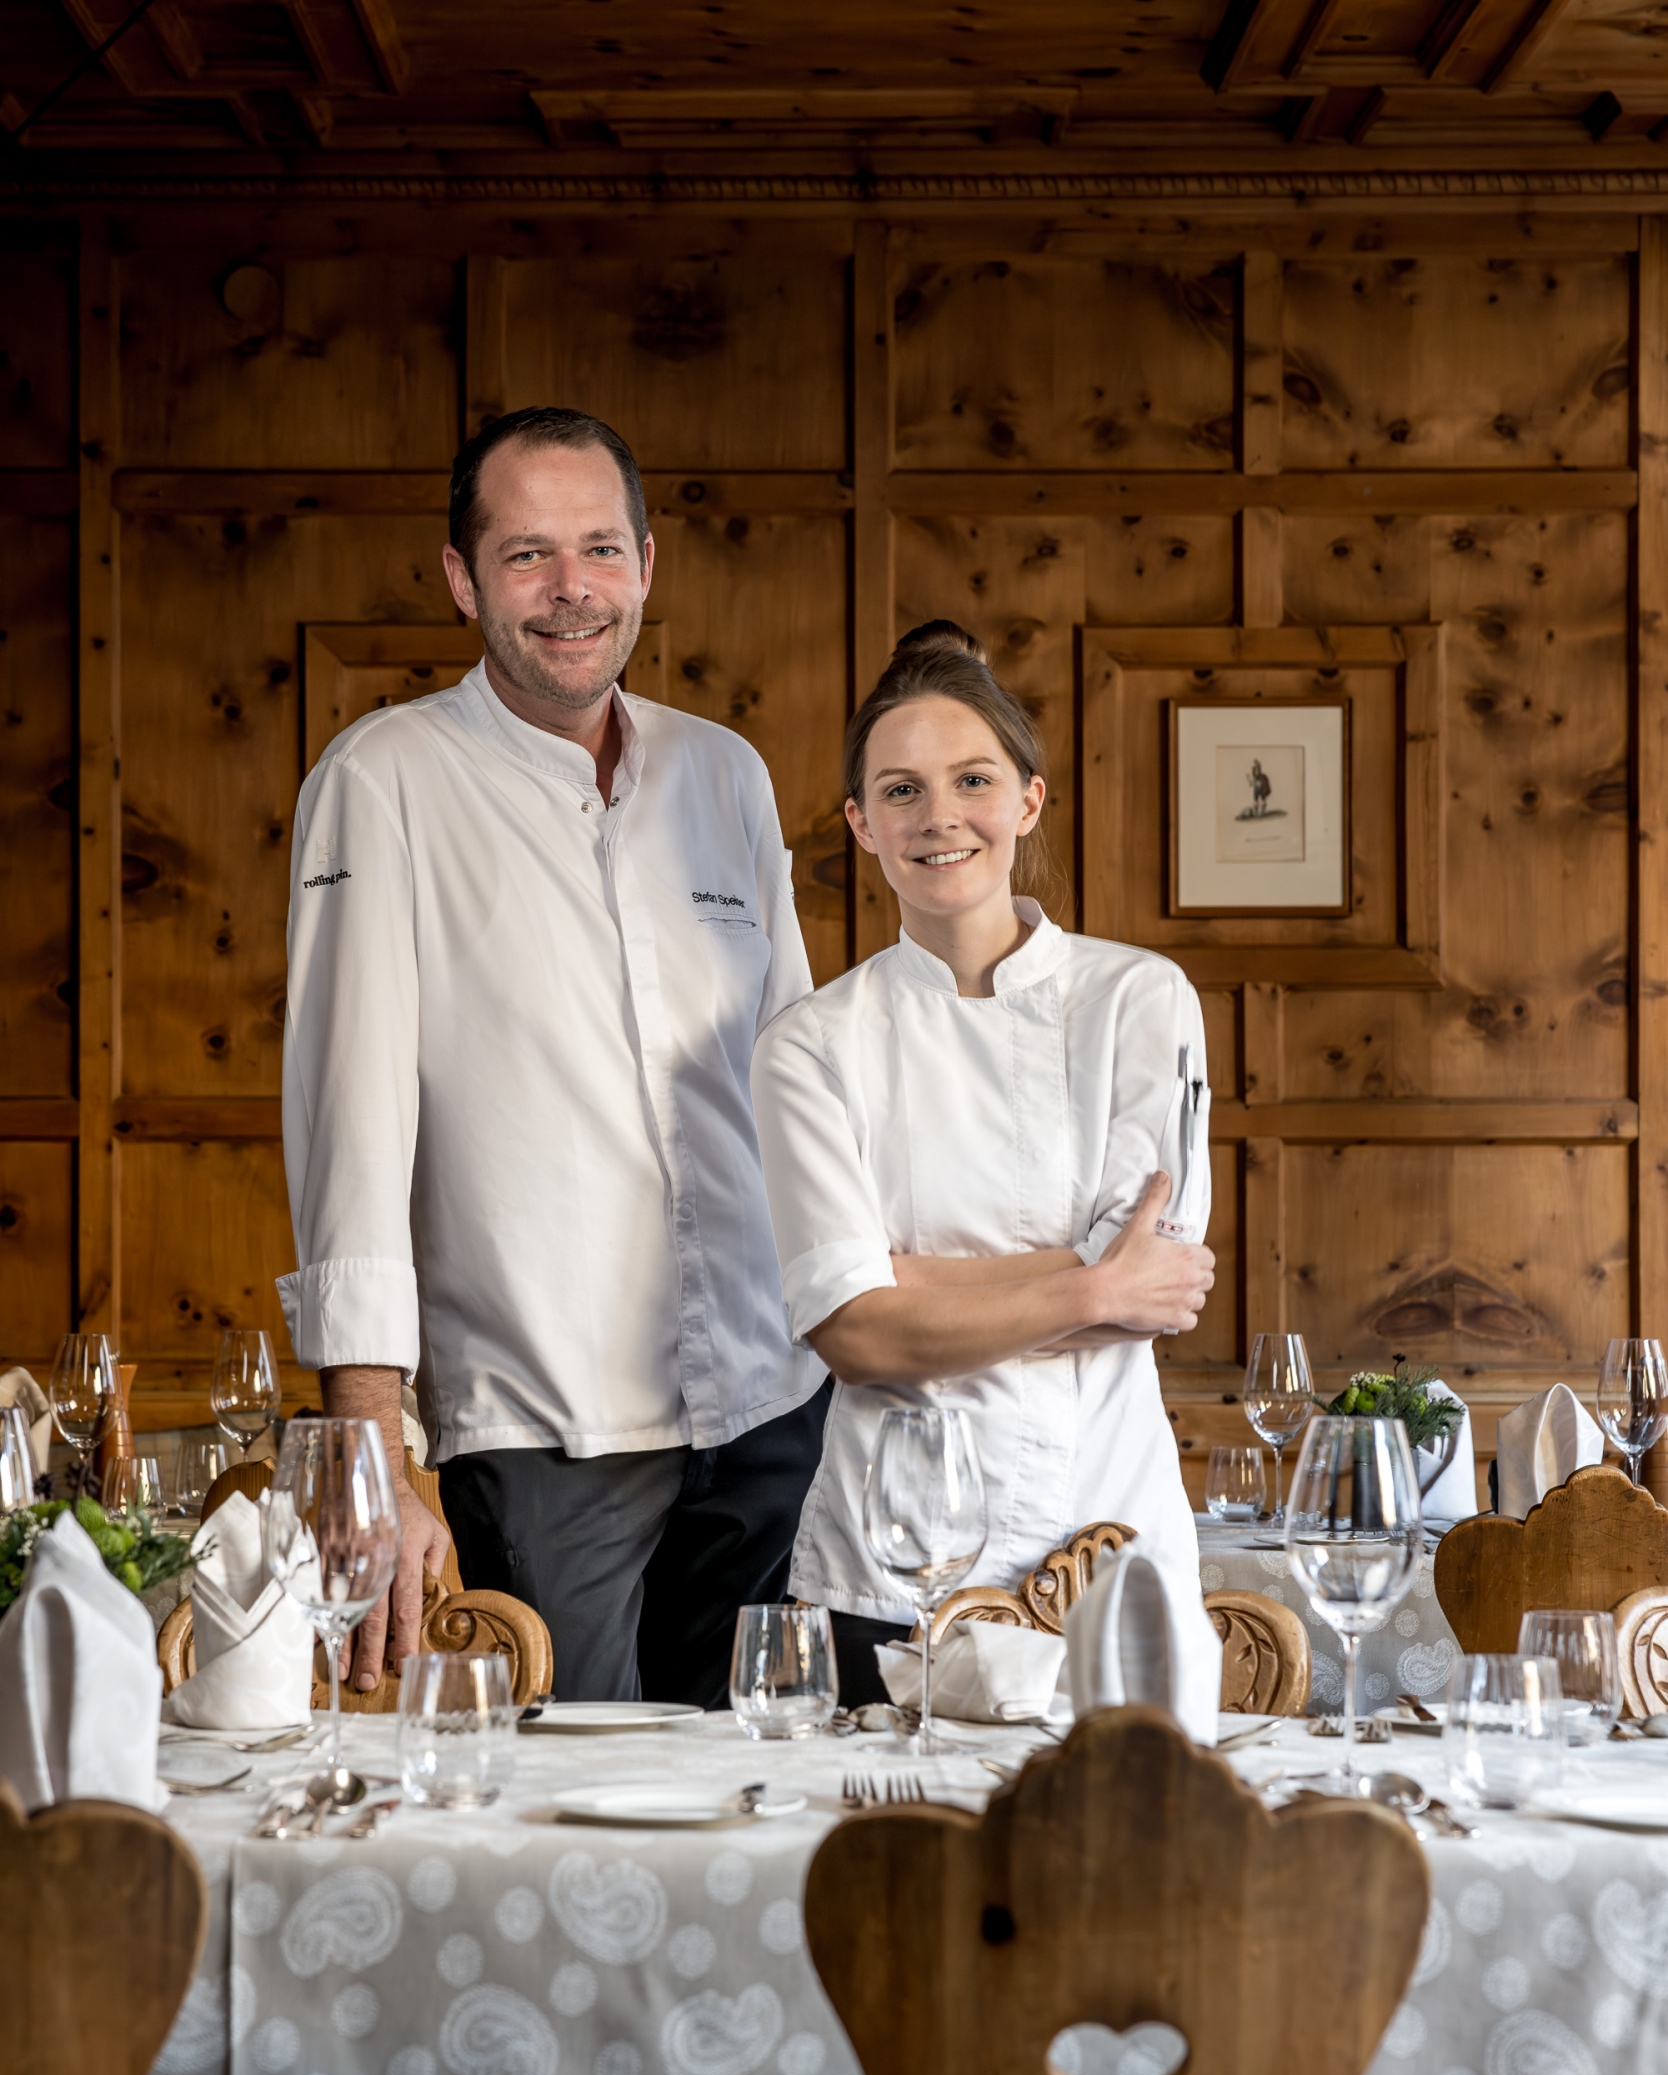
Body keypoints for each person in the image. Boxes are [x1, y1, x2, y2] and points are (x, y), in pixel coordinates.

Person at [279, 406, 828, 1706]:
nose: (570, 589)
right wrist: (370, 1444)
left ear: (646, 562)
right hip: (546, 1429)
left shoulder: (726, 777)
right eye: (527, 555)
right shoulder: (385, 779)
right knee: (584, 1813)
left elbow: (798, 1075)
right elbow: (350, 1118)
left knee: (770, 1805)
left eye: (597, 548)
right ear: (465, 578)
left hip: (772, 1411)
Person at [749, 622, 1216, 1701]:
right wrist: (1089, 1281)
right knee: (900, 1863)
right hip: (892, 1563)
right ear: (862, 824)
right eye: (901, 791)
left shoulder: (1140, 1000)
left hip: (1115, 1534)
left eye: (971, 779)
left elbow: (1160, 1286)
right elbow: (857, 1335)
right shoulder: (811, 1043)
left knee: (1127, 1859)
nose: (939, 816)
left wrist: (910, 1279)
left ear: (1028, 801)